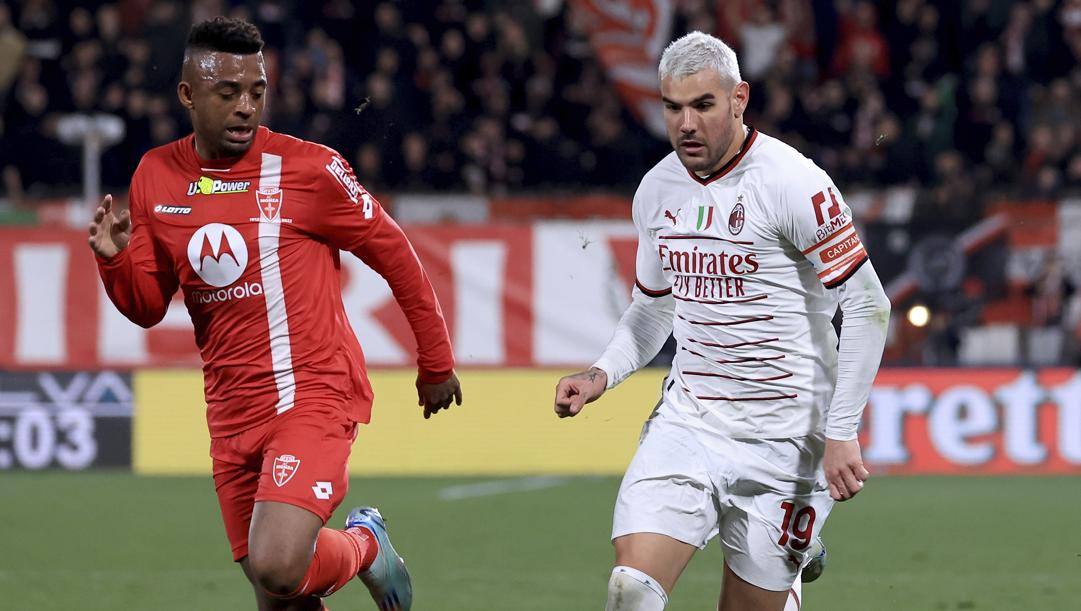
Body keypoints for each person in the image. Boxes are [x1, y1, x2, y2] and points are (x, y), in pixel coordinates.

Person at [89, 17, 461, 611]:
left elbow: (397, 256)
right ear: (188, 95)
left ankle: (366, 544)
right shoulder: (154, 176)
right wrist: (114, 262)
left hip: (312, 392)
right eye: (228, 93)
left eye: (257, 92)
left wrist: (436, 360)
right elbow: (148, 307)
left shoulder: (310, 170)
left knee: (279, 565)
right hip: (230, 409)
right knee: (280, 595)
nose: (245, 108)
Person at [553, 31, 890, 611]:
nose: (686, 123)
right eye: (672, 107)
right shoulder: (657, 190)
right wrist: (601, 373)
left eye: (703, 105)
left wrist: (841, 431)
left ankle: (794, 558)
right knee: (630, 589)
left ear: (739, 99)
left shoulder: (792, 182)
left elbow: (868, 305)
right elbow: (655, 303)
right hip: (692, 424)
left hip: (788, 438)